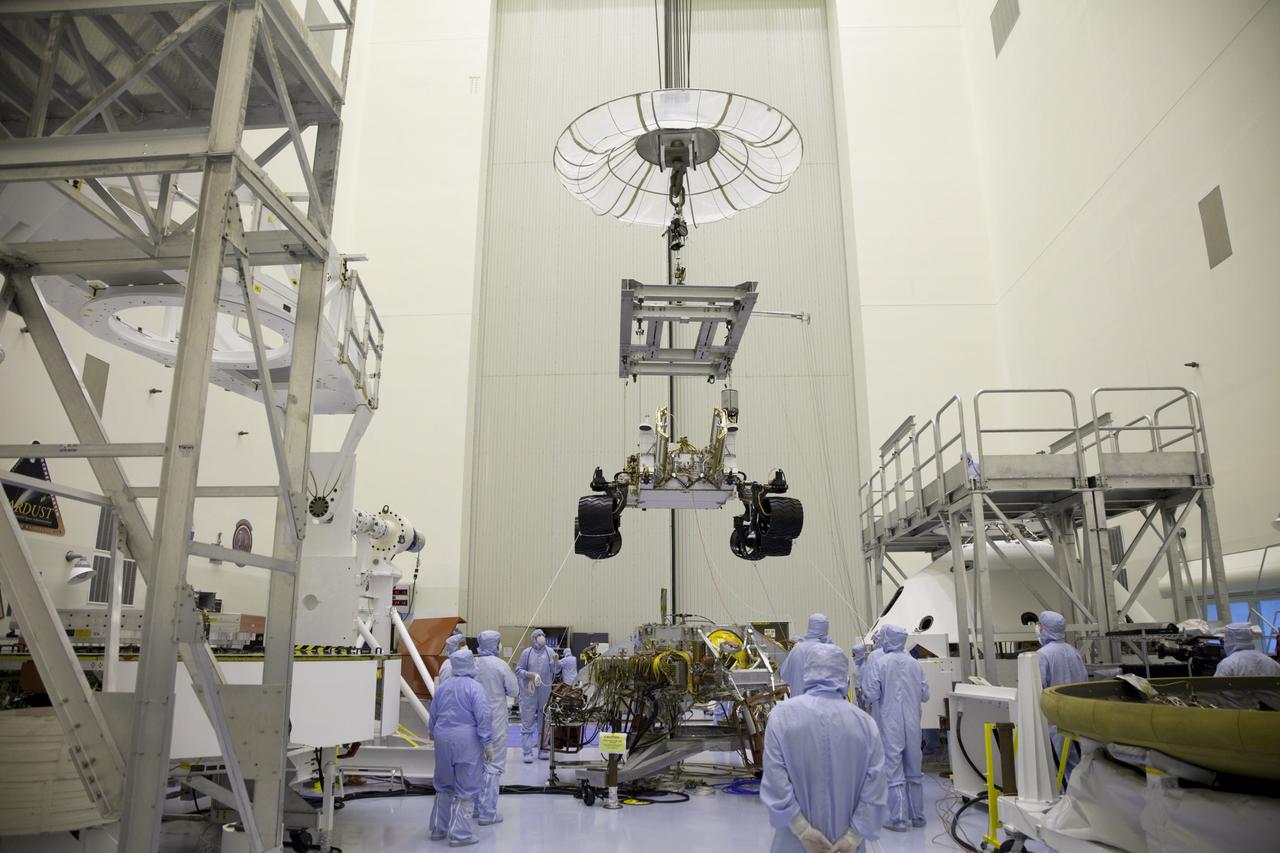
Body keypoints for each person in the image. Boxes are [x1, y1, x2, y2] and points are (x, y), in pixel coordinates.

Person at [761, 643, 887, 852]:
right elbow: (875, 786)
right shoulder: (865, 724)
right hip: (845, 845)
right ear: (843, 675)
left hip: (794, 841)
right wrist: (852, 838)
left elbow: (775, 779)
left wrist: (802, 829)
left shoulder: (781, 717)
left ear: (807, 671)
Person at [863, 623, 928, 832]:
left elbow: (871, 694)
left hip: (890, 722)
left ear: (888, 638)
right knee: (914, 768)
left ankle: (899, 819)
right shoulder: (916, 664)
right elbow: (926, 695)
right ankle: (918, 816)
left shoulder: (880, 663)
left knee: (893, 769)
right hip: (912, 724)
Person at [428, 648, 494, 847]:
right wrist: (487, 742)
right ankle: (460, 834)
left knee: (443, 784)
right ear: (470, 664)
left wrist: (434, 732)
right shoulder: (474, 688)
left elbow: (433, 715)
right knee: (466, 786)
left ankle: (438, 829)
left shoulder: (443, 687)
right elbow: (483, 715)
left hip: (442, 738)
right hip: (466, 740)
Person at [473, 630, 519, 826]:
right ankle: (487, 813)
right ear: (496, 644)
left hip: (474, 721)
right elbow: (514, 690)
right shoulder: (501, 666)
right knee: (493, 765)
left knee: (477, 765)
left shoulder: (472, 664)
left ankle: (475, 807)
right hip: (495, 721)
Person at [1036, 610, 1088, 779]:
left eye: (1040, 626)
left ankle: (1063, 801)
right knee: (1076, 763)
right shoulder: (1073, 652)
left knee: (1058, 766)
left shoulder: (1043, 655)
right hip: (1076, 717)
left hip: (1053, 720)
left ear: (1046, 628)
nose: (1038, 629)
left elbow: (1038, 688)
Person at [515, 628, 560, 762]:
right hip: (529, 692)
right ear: (533, 638)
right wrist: (530, 674)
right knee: (528, 720)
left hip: (544, 692)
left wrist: (556, 662)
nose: (541, 637)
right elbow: (518, 669)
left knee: (545, 720)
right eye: (538, 635)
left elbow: (555, 671)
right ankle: (527, 752)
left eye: (542, 635)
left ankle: (543, 749)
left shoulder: (549, 652)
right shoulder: (526, 653)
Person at [779, 613, 836, 698]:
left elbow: (784, 675)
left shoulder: (796, 650)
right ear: (825, 628)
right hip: (820, 706)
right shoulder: (829, 651)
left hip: (797, 704)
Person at [1215, 622, 1280, 676]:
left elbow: (1214, 689)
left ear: (1230, 639)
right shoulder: (1273, 664)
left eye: (1225, 639)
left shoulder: (1227, 665)